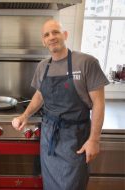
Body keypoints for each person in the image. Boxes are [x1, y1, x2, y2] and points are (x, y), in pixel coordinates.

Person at [12, 19, 109, 190]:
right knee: (49, 185)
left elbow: (99, 103)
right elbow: (40, 95)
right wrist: (24, 116)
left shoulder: (86, 62)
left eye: (55, 32)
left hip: (75, 139)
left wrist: (94, 139)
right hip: (49, 136)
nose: (51, 37)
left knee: (72, 185)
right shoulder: (43, 66)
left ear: (65, 35)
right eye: (47, 35)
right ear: (43, 41)